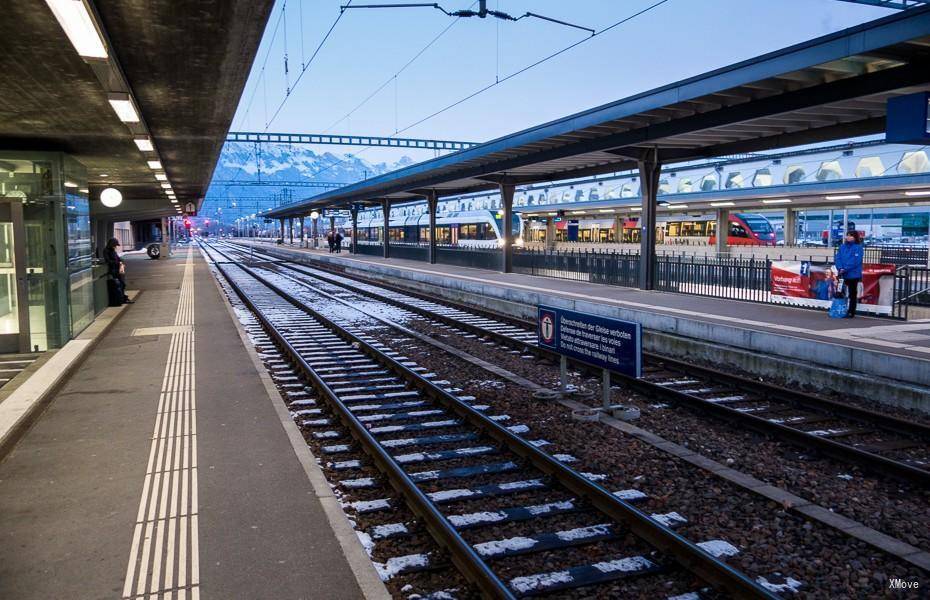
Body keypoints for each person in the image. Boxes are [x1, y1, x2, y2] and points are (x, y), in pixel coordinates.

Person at [834, 230, 863, 318]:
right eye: (847, 235)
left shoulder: (858, 247)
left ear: (855, 237)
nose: (848, 237)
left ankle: (851, 311)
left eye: (851, 236)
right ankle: (840, 309)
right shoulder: (842, 247)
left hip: (853, 274)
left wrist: (845, 268)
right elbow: (837, 258)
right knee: (840, 292)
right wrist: (840, 268)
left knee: (852, 293)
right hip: (842, 273)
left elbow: (856, 261)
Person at [103, 238, 134, 305]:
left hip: (118, 270)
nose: (116, 247)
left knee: (122, 284)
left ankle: (123, 298)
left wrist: (121, 262)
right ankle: (121, 298)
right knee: (119, 284)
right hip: (113, 270)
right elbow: (108, 261)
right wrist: (118, 263)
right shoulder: (106, 251)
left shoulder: (113, 250)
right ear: (111, 244)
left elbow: (118, 258)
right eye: (115, 245)